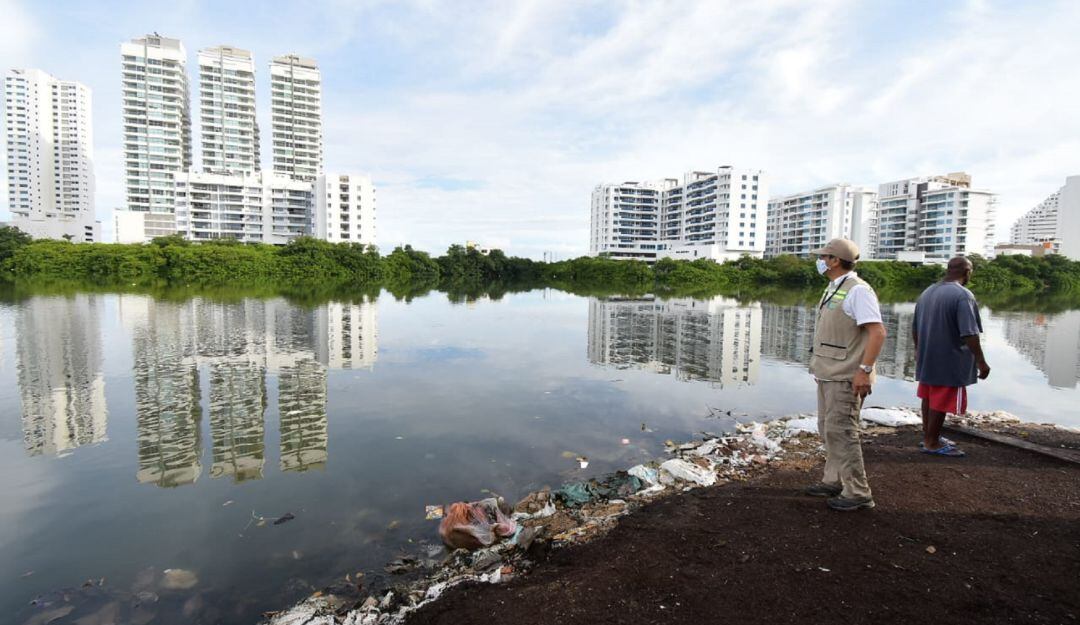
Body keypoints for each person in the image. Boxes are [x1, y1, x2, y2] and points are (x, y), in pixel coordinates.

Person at [805, 238, 887, 512]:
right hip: (828, 372)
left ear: (834, 261)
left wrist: (863, 371)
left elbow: (877, 333)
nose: (820, 261)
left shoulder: (858, 291)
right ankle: (834, 480)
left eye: (823, 256)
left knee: (843, 432)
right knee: (828, 429)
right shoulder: (834, 287)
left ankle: (858, 492)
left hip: (846, 375)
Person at [912, 256, 990, 457]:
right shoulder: (963, 295)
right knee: (942, 398)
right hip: (949, 358)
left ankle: (929, 435)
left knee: (929, 396)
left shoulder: (927, 292)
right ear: (967, 272)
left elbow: (915, 328)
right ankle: (932, 442)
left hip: (927, 355)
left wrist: (918, 351)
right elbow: (969, 333)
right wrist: (981, 361)